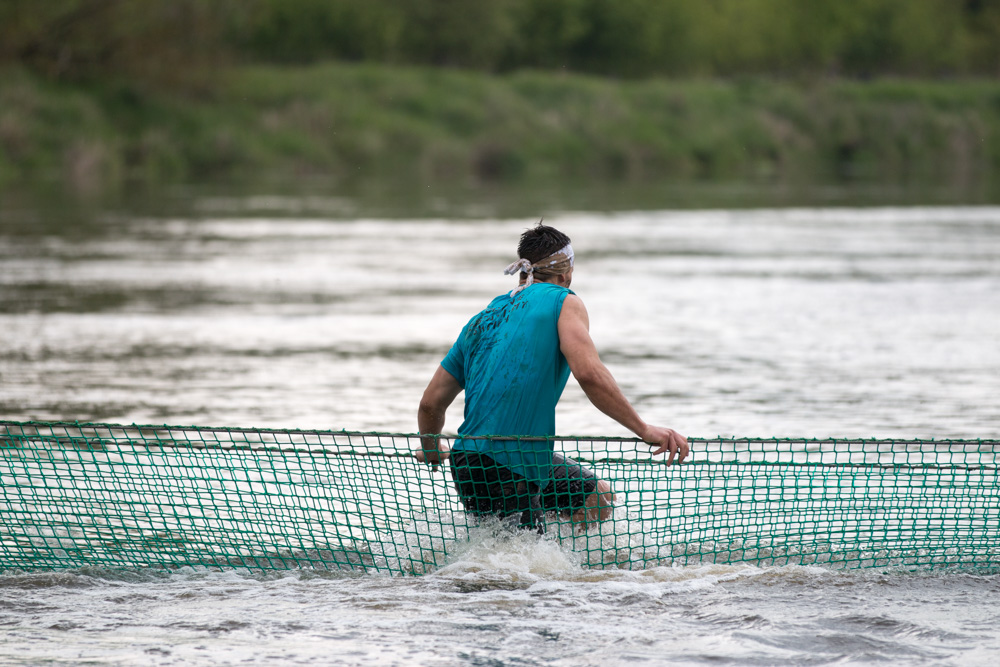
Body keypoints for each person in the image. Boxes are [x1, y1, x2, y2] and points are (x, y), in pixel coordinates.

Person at [416, 223, 688, 533]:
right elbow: (589, 374)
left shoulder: (483, 318)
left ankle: (558, 564)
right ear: (566, 273)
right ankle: (543, 571)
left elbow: (430, 404)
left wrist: (431, 446)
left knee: (597, 498)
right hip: (512, 462)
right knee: (514, 575)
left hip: (468, 460)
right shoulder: (564, 301)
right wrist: (644, 429)